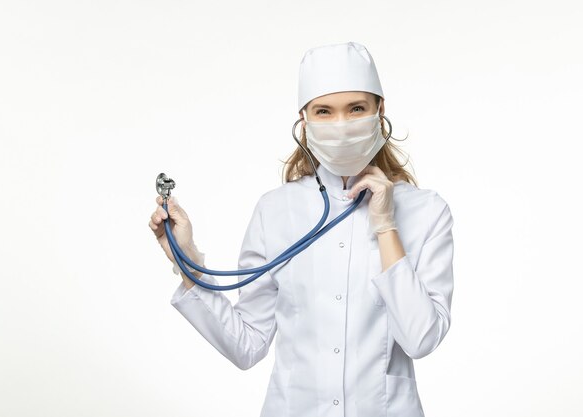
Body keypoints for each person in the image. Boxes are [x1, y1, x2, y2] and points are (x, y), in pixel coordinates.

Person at [148, 41, 454, 417]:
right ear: (304, 120)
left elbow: (421, 338)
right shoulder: (276, 210)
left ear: (380, 111)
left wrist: (387, 226)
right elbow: (246, 345)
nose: (341, 126)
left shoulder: (426, 212)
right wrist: (187, 262)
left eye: (356, 108)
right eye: (324, 111)